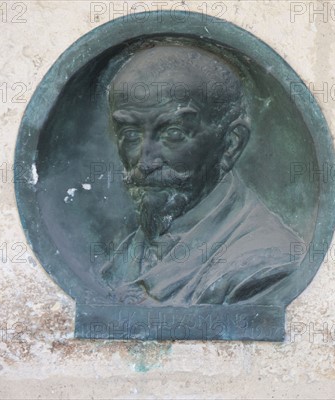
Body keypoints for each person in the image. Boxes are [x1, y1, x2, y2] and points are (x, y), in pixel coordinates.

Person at [99, 43, 305, 306]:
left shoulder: (266, 261)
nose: (146, 161)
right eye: (130, 135)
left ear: (231, 144)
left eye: (173, 134)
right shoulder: (123, 259)